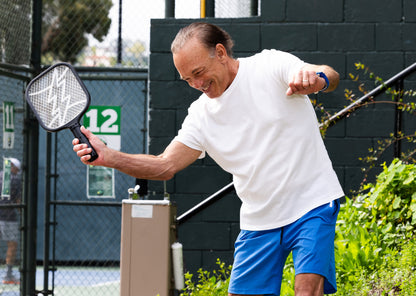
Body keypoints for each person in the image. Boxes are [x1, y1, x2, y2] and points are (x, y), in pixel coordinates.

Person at [73, 22, 344, 296]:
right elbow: (165, 165)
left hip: (311, 203)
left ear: (221, 52)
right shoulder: (200, 115)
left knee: (307, 290)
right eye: (188, 79)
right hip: (259, 220)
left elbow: (331, 76)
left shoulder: (270, 65)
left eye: (199, 72)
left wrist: (316, 78)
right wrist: (108, 156)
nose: (196, 84)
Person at [0, 158, 21, 285]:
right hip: (8, 217)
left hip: (6, 216)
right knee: (12, 245)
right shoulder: (16, 180)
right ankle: (8, 276)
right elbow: (18, 200)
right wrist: (23, 213)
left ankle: (8, 275)